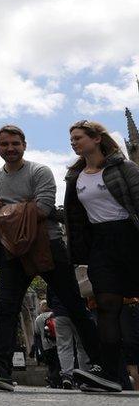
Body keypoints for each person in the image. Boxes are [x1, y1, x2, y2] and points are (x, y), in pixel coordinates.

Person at [0, 124, 102, 392]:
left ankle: (105, 367)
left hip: (48, 244)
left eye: (15, 144)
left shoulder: (39, 171)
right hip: (13, 250)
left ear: (24, 145)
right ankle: (2, 370)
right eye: (5, 144)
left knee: (74, 307)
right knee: (5, 310)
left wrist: (5, 212)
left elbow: (43, 208)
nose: (10, 148)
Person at [63, 119, 139, 392]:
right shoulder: (75, 177)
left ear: (96, 139)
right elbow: (73, 216)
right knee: (107, 305)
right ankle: (111, 375)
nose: (73, 141)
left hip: (129, 237)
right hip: (100, 244)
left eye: (78, 137)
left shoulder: (124, 168)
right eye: (71, 138)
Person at [48, 288, 89, 387]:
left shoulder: (52, 273)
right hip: (78, 310)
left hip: (60, 312)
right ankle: (85, 376)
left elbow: (49, 299)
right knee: (82, 345)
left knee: (64, 345)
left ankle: (67, 375)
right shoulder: (76, 272)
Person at [32, 300, 60, 387]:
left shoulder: (38, 318)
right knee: (58, 363)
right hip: (58, 343)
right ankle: (56, 379)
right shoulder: (55, 315)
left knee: (51, 364)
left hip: (46, 345)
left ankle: (52, 380)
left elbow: (37, 332)